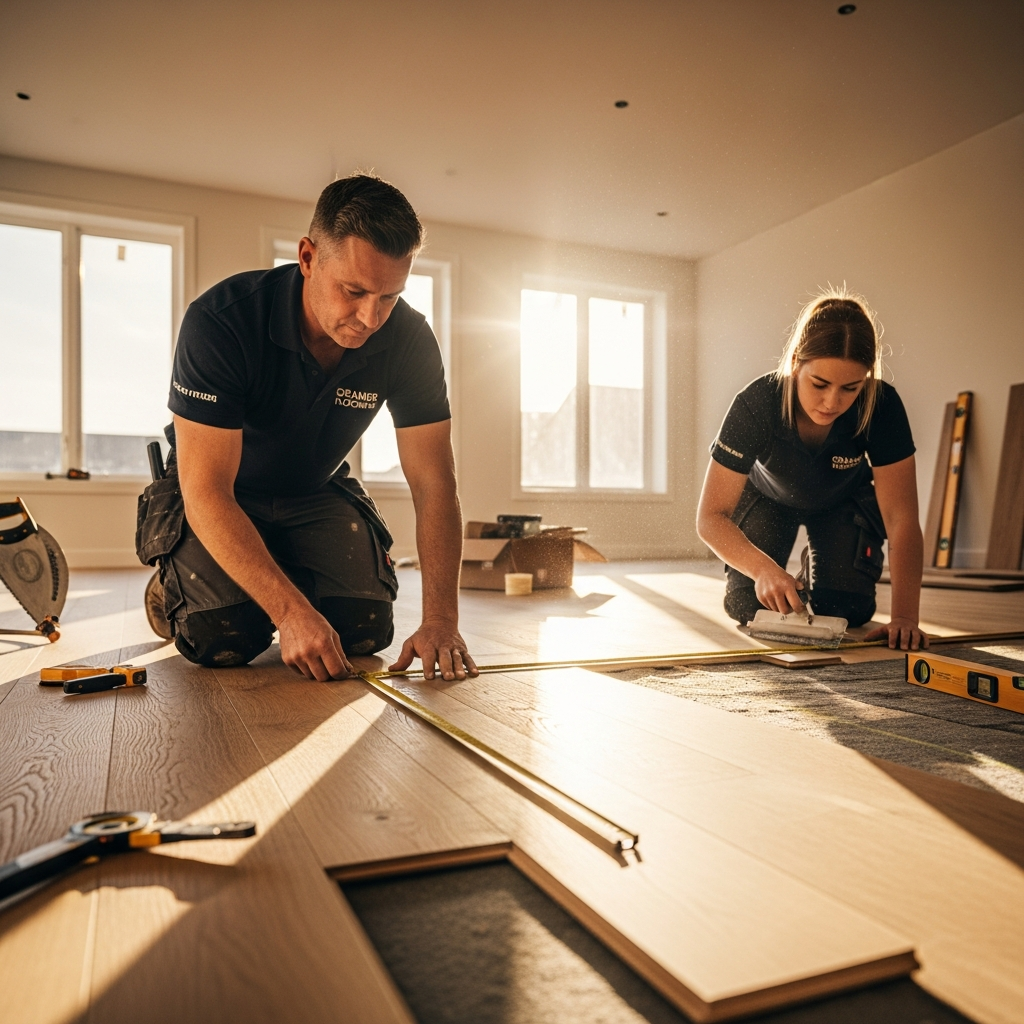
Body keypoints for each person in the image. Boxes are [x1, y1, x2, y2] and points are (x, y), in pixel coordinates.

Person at [138, 174, 478, 682]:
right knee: (222, 637)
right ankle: (178, 586)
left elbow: (434, 484)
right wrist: (291, 613)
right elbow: (206, 489)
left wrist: (441, 622)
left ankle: (279, 569)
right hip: (222, 489)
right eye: (354, 291)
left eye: (389, 296)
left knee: (363, 632)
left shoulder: (409, 339)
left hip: (313, 487)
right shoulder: (221, 321)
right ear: (307, 257)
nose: (370, 318)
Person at [695, 289, 928, 651]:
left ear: (866, 379)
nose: (832, 401)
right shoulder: (755, 403)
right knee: (747, 605)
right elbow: (710, 517)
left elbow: (901, 518)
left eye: (850, 388)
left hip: (844, 500)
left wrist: (905, 618)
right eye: (819, 384)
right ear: (795, 364)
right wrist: (763, 570)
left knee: (848, 610)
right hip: (768, 499)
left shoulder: (883, 407)